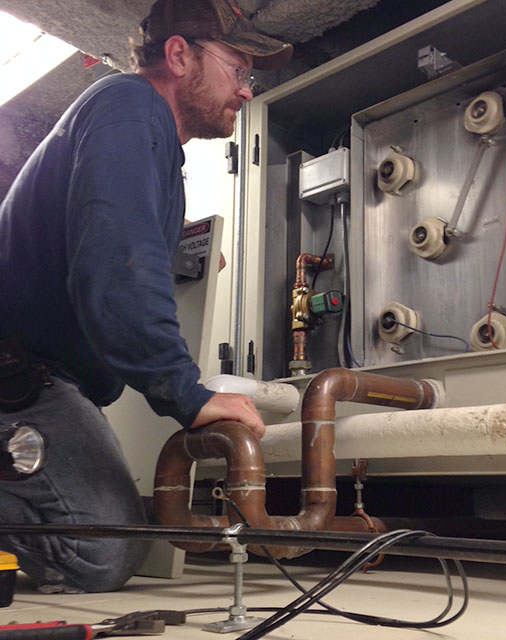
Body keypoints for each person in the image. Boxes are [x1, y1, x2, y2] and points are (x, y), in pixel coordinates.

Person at [0, 0, 292, 593]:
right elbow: (114, 264)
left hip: (46, 375)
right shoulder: (127, 105)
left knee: (110, 538)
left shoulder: (152, 143)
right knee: (100, 553)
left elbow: (112, 244)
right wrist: (186, 391)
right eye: (239, 70)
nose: (245, 92)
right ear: (180, 55)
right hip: (17, 375)